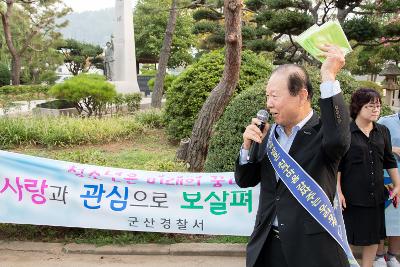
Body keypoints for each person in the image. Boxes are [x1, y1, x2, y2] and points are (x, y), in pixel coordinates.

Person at [235, 44, 351, 267]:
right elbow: (245, 180)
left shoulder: (323, 133)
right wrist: (246, 149)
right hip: (267, 245)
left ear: (302, 95)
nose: (269, 104)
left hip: (311, 249)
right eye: (267, 96)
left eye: (275, 96)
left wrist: (328, 76)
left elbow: (339, 139)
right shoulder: (268, 134)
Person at [337, 89, 400, 267]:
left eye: (378, 106)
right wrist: (339, 191)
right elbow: (338, 165)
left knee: (374, 236)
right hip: (350, 197)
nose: (375, 109)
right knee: (348, 235)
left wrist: (397, 184)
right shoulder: (346, 132)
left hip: (376, 195)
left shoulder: (383, 131)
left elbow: (389, 159)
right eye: (370, 106)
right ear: (358, 107)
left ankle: (368, 265)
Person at [374, 111, 400, 267]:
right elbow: (372, 143)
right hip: (386, 180)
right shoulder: (385, 122)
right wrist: (393, 149)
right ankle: (378, 255)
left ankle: (392, 256)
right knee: (381, 219)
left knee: (398, 221)